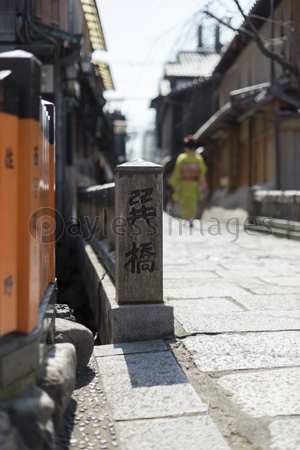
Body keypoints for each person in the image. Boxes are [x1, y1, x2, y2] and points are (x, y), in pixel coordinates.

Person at [169, 135, 207, 225]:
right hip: (194, 184)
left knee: (184, 201)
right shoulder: (198, 159)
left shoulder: (182, 158)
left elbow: (177, 172)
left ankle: (185, 218)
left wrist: (174, 183)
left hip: (184, 183)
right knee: (193, 202)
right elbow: (202, 172)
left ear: (185, 147)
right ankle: (191, 218)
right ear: (194, 147)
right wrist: (202, 183)